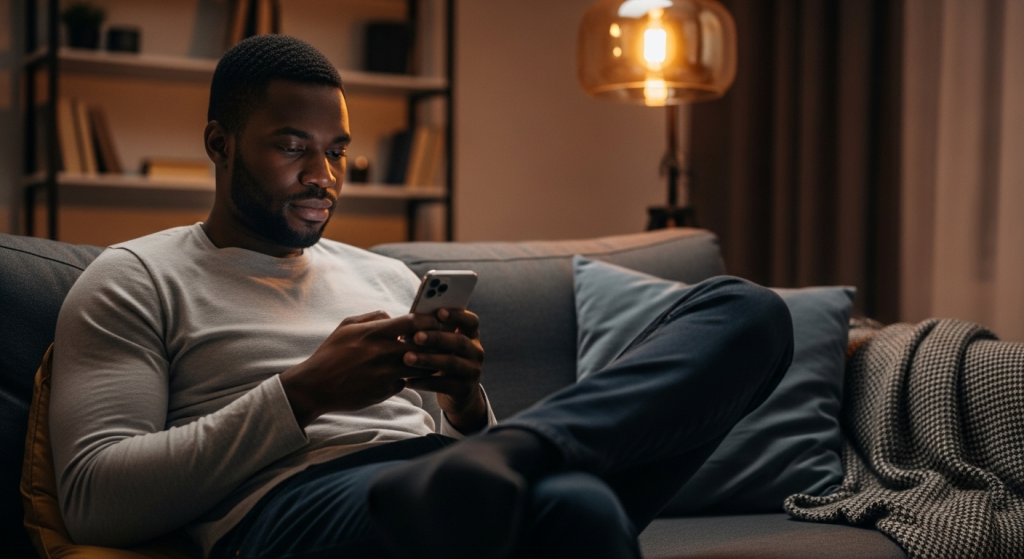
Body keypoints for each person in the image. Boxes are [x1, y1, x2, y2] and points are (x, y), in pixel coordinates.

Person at [49, 35, 794, 559]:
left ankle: (523, 449)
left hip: (452, 475)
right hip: (294, 512)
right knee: (573, 505)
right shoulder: (135, 277)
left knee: (747, 313)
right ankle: (520, 460)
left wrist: (469, 405)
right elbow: (94, 499)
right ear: (219, 143)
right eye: (291, 145)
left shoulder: (384, 275)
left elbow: (462, 446)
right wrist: (303, 393)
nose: (324, 175)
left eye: (337, 150)